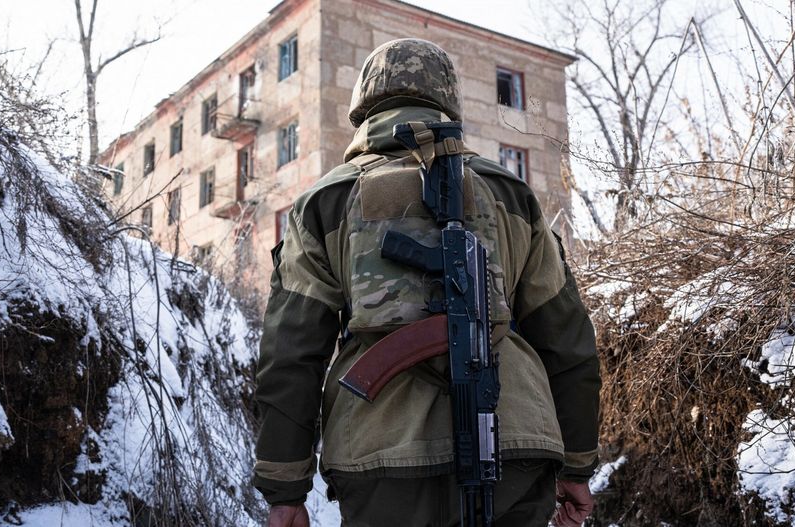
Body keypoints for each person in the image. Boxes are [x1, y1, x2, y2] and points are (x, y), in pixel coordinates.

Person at [253, 38, 600, 527]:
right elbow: (566, 340)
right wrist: (578, 465)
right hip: (516, 448)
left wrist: (285, 487)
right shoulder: (511, 194)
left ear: (364, 105)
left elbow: (291, 351)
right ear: (448, 100)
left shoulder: (324, 202)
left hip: (380, 457)